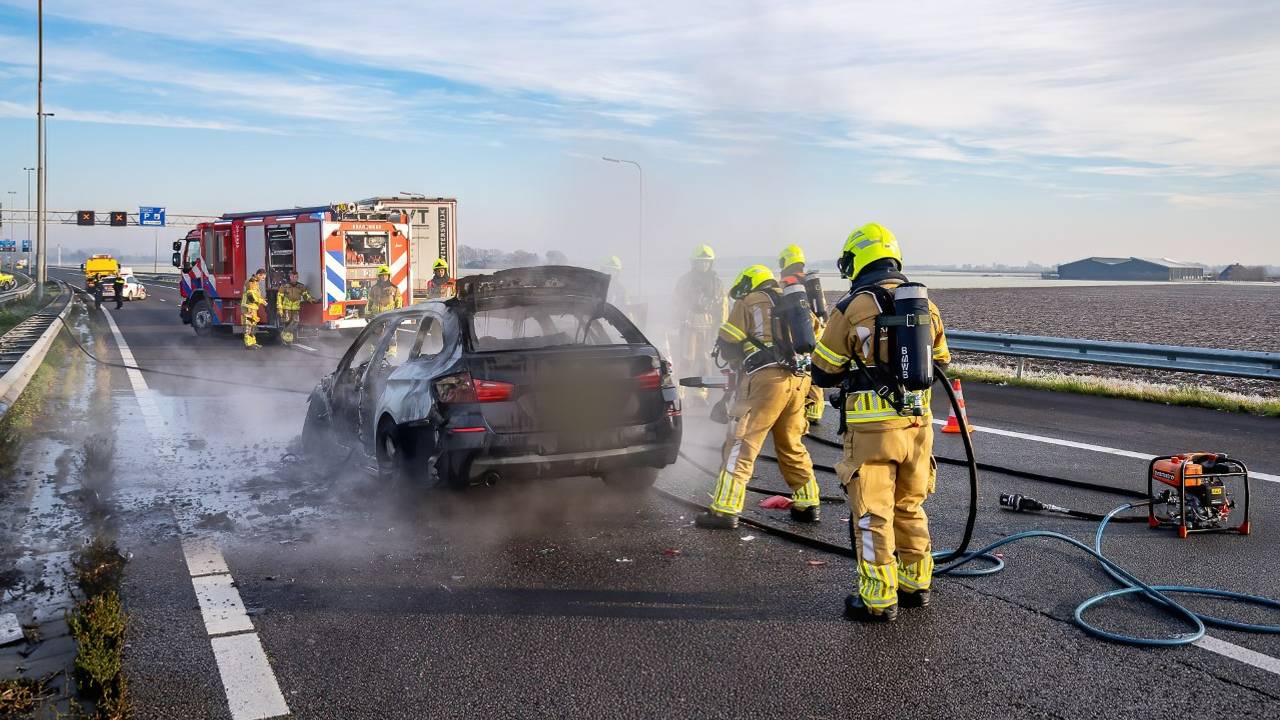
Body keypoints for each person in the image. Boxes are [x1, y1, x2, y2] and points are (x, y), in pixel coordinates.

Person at [810, 223, 951, 622]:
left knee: (873, 513)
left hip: (872, 433)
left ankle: (877, 598)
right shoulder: (926, 306)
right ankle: (916, 586)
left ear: (859, 260)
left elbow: (823, 371)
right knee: (910, 506)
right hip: (918, 429)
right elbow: (940, 362)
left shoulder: (853, 306)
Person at [695, 264, 821, 530]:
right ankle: (808, 504)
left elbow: (728, 340)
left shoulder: (750, 300)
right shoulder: (796, 302)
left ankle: (725, 510)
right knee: (791, 443)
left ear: (749, 282)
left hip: (765, 381)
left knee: (742, 443)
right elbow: (817, 336)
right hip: (799, 381)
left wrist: (739, 361)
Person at [778, 244, 826, 425]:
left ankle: (798, 406)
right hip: (818, 327)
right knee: (815, 367)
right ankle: (815, 409)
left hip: (803, 327)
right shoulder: (809, 281)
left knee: (802, 366)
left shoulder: (788, 280)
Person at [673, 245, 724, 399]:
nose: (703, 265)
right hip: (689, 325)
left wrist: (720, 326)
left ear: (711, 263)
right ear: (693, 263)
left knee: (705, 358)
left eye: (706, 262)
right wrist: (679, 319)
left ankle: (702, 390)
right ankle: (682, 386)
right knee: (687, 357)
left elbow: (722, 305)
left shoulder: (717, 283)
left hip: (709, 326)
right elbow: (676, 302)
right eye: (700, 262)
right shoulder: (685, 281)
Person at [276, 270, 318, 346]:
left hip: (296, 308)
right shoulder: (284, 286)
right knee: (287, 322)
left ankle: (284, 333)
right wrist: (279, 307)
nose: (294, 278)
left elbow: (306, 295)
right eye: (293, 277)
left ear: (298, 277)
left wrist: (311, 300)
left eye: (296, 277)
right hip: (286, 308)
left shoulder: (301, 286)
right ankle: (288, 340)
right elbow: (279, 297)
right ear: (290, 277)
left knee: (295, 322)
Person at [242, 268, 267, 350]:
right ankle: (248, 344)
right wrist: (262, 301)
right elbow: (251, 296)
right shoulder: (251, 281)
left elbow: (256, 295)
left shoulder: (255, 282)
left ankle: (253, 342)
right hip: (248, 307)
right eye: (263, 277)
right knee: (248, 325)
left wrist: (262, 300)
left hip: (253, 307)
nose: (263, 280)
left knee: (253, 325)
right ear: (259, 275)